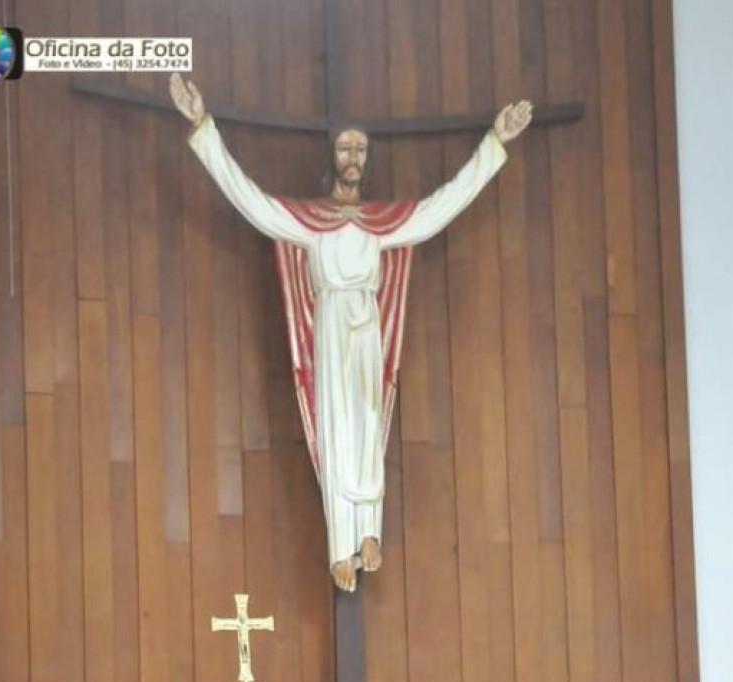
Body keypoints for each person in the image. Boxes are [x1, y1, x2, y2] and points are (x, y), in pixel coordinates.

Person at [169, 73, 532, 592]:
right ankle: (341, 544)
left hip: (367, 324)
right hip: (332, 322)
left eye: (361, 147)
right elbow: (246, 197)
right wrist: (202, 126)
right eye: (345, 146)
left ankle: (368, 535)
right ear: (331, 157)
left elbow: (442, 206)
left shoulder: (383, 221)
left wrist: (495, 143)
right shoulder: (308, 220)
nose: (354, 155)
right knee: (337, 429)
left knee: (368, 422)